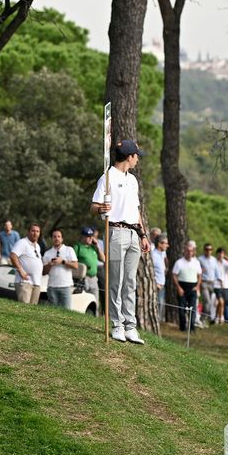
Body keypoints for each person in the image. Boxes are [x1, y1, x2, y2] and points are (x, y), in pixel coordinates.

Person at [91, 139, 150, 344]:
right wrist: (101, 209)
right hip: (115, 233)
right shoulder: (107, 177)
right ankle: (116, 325)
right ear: (129, 156)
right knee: (115, 280)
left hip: (134, 234)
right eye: (136, 156)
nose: (137, 160)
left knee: (130, 282)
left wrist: (143, 235)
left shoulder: (132, 180)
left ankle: (130, 327)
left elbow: (136, 211)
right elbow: (94, 206)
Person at [42, 229, 79, 309]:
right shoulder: (47, 253)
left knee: (66, 312)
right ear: (51, 239)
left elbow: (76, 266)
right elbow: (44, 272)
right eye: (54, 237)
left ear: (62, 239)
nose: (56, 238)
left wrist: (63, 262)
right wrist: (49, 265)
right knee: (53, 312)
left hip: (65, 286)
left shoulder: (69, 250)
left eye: (59, 236)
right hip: (52, 286)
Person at [171, 240, 203, 331]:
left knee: (193, 309)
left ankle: (192, 328)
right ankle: (183, 327)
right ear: (185, 251)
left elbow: (200, 275)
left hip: (193, 287)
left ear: (193, 252)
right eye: (188, 251)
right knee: (182, 309)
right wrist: (178, 288)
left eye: (191, 251)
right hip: (182, 287)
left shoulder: (196, 262)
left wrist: (197, 287)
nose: (189, 253)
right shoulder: (179, 262)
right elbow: (174, 275)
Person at [9, 223, 45, 305]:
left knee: (32, 311)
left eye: (37, 231)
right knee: (24, 309)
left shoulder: (38, 246)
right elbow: (13, 256)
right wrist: (21, 271)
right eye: (33, 231)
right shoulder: (22, 242)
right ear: (28, 232)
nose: (35, 233)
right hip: (24, 282)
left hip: (36, 283)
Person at [150, 235, 169, 314]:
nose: (167, 245)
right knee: (155, 305)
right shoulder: (153, 255)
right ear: (159, 244)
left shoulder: (162, 254)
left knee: (161, 306)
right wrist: (155, 282)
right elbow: (150, 271)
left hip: (161, 285)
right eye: (165, 243)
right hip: (155, 285)